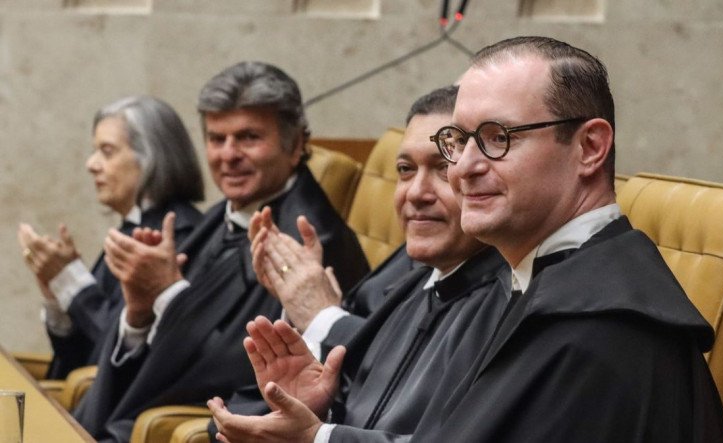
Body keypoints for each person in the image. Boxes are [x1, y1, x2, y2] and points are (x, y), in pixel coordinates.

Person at [215, 36, 723, 442]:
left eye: (497, 138)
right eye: (458, 141)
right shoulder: (543, 282)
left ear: (590, 147)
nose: (464, 167)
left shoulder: (597, 325)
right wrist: (319, 421)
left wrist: (318, 440)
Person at [72, 61, 369, 443]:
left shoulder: (306, 239)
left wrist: (167, 296)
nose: (228, 155)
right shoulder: (224, 213)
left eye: (247, 137)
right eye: (216, 139)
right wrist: (140, 309)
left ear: (295, 145)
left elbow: (245, 368)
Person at [207, 85, 509, 442]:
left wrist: (317, 434)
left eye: (443, 168)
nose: (415, 193)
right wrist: (314, 409)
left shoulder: (507, 300)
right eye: (405, 169)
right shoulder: (425, 275)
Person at [17, 96, 204, 379]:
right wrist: (57, 297)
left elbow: (122, 346)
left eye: (107, 151)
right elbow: (82, 356)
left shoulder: (175, 235)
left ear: (150, 158)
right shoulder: (129, 229)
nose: (91, 164)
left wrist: (71, 281)